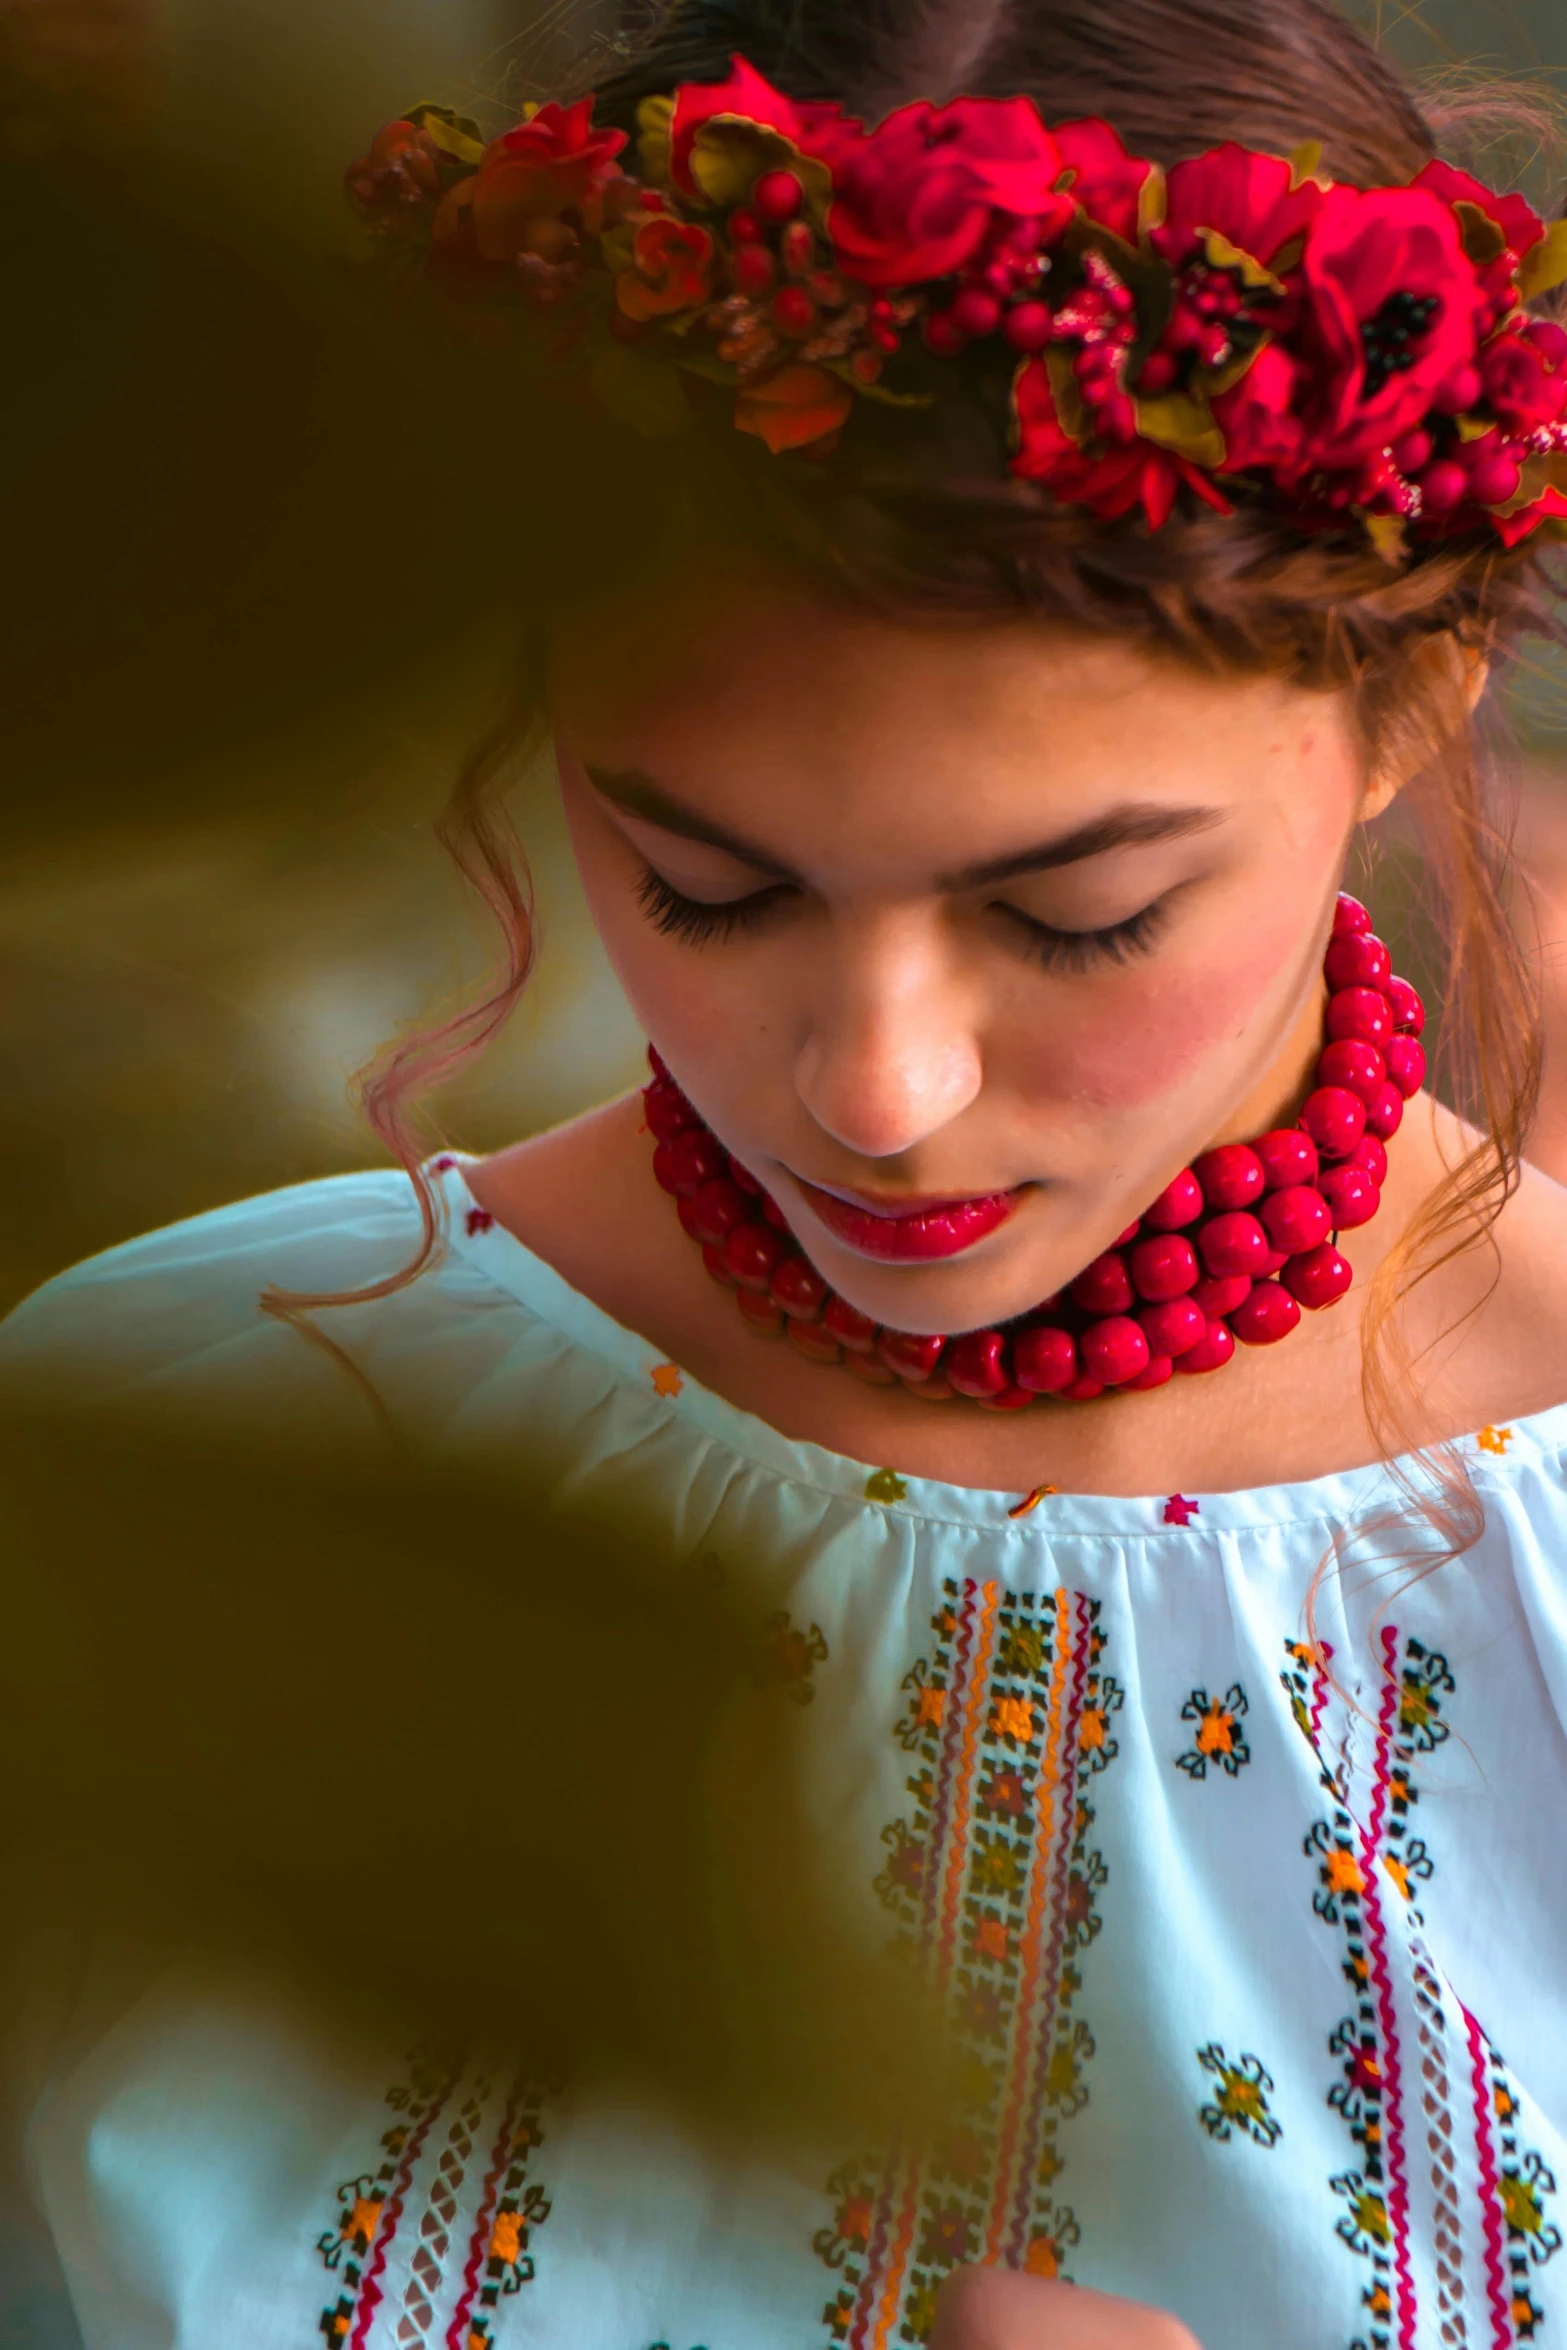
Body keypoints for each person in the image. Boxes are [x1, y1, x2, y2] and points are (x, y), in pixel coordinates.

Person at [3, 0, 1566, 2343]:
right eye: (705, 884)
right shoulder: (195, 1446)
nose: (878, 1085)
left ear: (1413, 701)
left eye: (1075, 912)